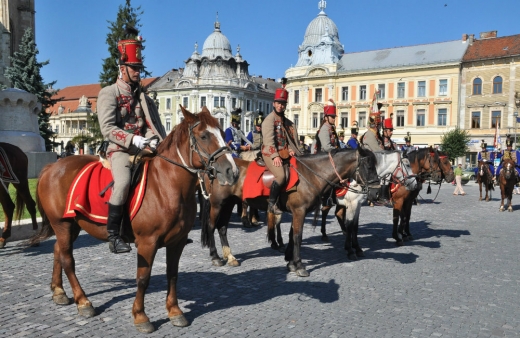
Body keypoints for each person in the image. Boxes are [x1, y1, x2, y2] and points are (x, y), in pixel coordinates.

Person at [97, 26, 166, 254]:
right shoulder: (109, 93)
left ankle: (167, 228)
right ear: (122, 69)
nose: (138, 73)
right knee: (124, 182)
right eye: (134, 69)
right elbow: (107, 128)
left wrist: (151, 139)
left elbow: (146, 125)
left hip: (141, 148)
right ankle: (114, 235)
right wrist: (132, 141)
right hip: (119, 150)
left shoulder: (141, 96)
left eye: (139, 69)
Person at [261, 77, 302, 215]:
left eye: (283, 104)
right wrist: (275, 156)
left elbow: (285, 139)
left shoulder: (287, 121)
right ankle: (271, 204)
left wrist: (291, 149)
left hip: (284, 152)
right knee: (281, 176)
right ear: (274, 103)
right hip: (269, 153)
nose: (280, 106)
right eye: (278, 103)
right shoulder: (269, 120)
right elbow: (269, 141)